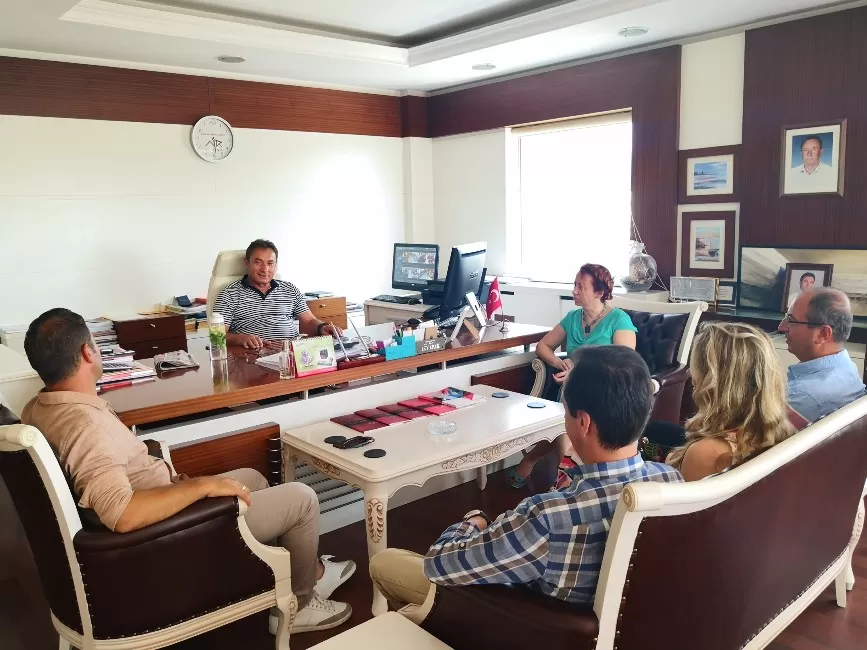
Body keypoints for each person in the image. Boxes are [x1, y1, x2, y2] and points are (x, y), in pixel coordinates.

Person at [20, 309, 355, 634]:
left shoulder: (39, 408)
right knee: (301, 499)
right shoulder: (86, 427)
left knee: (252, 479)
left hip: (160, 506)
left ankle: (292, 578)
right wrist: (201, 487)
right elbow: (122, 514)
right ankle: (299, 605)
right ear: (86, 352)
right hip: (166, 536)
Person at [369, 345, 682, 612]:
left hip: (528, 626)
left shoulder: (548, 518)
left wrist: (473, 521)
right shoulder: (671, 482)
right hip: (627, 626)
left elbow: (437, 565)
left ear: (584, 423)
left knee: (386, 563)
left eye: (566, 412)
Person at [506, 263, 637, 488]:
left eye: (581, 286)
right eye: (574, 285)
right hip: (571, 388)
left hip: (604, 392)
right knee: (566, 420)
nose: (574, 291)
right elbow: (543, 346)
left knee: (566, 423)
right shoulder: (573, 317)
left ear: (599, 292)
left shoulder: (619, 320)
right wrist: (560, 363)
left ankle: (548, 470)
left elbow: (624, 365)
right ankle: (565, 478)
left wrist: (580, 373)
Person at [665, 322, 795, 481]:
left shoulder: (706, 453)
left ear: (714, 381)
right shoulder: (781, 431)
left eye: (697, 367)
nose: (690, 373)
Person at [212, 239, 341, 349]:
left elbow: (309, 321)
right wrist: (240, 339)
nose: (265, 269)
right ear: (246, 263)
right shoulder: (228, 294)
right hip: (251, 357)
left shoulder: (290, 289)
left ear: (275, 265)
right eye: (258, 262)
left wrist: (322, 327)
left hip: (291, 355)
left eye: (270, 263)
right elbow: (217, 336)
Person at [779, 288, 866, 422]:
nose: (781, 327)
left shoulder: (803, 396)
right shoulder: (846, 367)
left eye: (791, 320)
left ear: (823, 334)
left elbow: (750, 434)